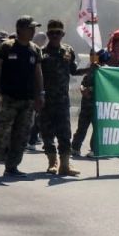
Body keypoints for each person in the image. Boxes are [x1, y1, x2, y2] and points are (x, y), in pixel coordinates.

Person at [0, 16, 44, 178]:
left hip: (28, 99)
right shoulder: (6, 47)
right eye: (30, 28)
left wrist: (41, 94)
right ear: (20, 29)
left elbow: (38, 74)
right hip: (9, 98)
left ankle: (12, 167)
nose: (33, 31)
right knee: (2, 134)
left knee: (22, 135)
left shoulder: (35, 49)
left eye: (34, 28)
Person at [38, 19, 82, 177]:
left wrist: (91, 68)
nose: (55, 35)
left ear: (63, 34)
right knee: (47, 133)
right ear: (48, 34)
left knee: (65, 133)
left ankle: (65, 165)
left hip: (62, 100)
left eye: (58, 32)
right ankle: (52, 162)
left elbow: (74, 71)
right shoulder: (41, 52)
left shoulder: (68, 50)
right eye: (52, 33)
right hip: (46, 100)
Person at [72, 48, 110, 158]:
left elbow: (105, 86)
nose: (92, 57)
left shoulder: (106, 70)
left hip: (98, 104)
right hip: (86, 104)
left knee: (97, 128)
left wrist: (91, 89)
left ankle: (94, 149)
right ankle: (75, 147)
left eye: (94, 55)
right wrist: (83, 89)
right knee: (82, 127)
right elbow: (83, 83)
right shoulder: (91, 69)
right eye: (91, 55)